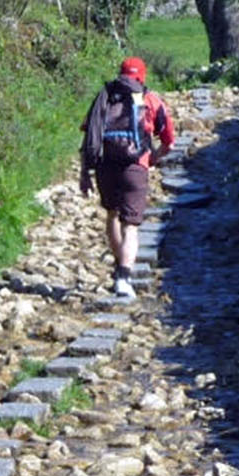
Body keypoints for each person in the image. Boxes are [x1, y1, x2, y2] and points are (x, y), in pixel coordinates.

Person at [78, 56, 174, 297]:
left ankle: (119, 265)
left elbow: (89, 134)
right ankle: (123, 276)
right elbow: (168, 140)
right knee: (130, 225)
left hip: (105, 164)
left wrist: (85, 173)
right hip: (135, 166)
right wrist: (152, 159)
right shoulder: (150, 99)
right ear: (142, 76)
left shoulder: (105, 96)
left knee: (112, 214)